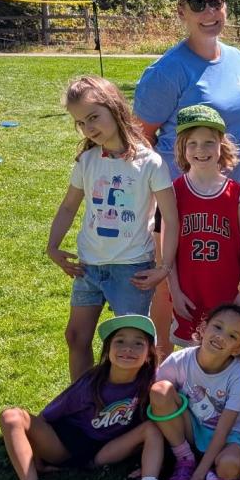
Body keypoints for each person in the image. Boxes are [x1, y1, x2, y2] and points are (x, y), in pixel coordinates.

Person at [133, 0, 240, 357]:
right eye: (197, 4)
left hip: (228, 196)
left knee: (235, 274)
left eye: (215, 1)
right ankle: (162, 364)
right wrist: (161, 201)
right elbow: (141, 139)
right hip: (180, 202)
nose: (209, 11)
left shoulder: (236, 58)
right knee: (172, 283)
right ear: (181, 12)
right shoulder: (167, 70)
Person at [47, 75, 176, 381]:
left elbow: (170, 216)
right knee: (75, 337)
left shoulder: (151, 163)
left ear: (115, 108)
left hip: (131, 269)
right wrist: (52, 246)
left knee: (133, 346)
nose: (89, 128)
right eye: (80, 123)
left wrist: (164, 266)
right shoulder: (87, 161)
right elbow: (68, 207)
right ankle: (80, 404)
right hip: (89, 267)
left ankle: (138, 405)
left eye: (94, 117)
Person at [0, 315, 167, 480]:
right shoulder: (90, 382)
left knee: (152, 429)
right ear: (107, 351)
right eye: (120, 341)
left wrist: (156, 460)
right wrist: (37, 454)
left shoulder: (152, 384)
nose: (128, 349)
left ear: (148, 355)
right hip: (63, 447)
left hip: (104, 453)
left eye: (138, 343)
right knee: (11, 416)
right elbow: (47, 418)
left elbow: (161, 422)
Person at [146, 303, 240, 480]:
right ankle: (185, 460)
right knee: (159, 390)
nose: (221, 337)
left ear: (238, 349)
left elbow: (223, 430)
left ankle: (209, 472)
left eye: (232, 336)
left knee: (230, 466)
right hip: (190, 428)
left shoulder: (239, 376)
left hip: (229, 436)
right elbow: (157, 404)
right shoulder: (178, 360)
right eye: (217, 327)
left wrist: (198, 478)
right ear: (203, 327)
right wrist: (146, 455)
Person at [166, 105, 240, 349]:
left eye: (208, 142)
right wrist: (174, 290)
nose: (200, 150)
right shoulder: (174, 191)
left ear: (221, 146)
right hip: (190, 289)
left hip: (229, 287)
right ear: (182, 149)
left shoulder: (234, 192)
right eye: (192, 143)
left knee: (237, 345)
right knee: (192, 351)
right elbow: (168, 248)